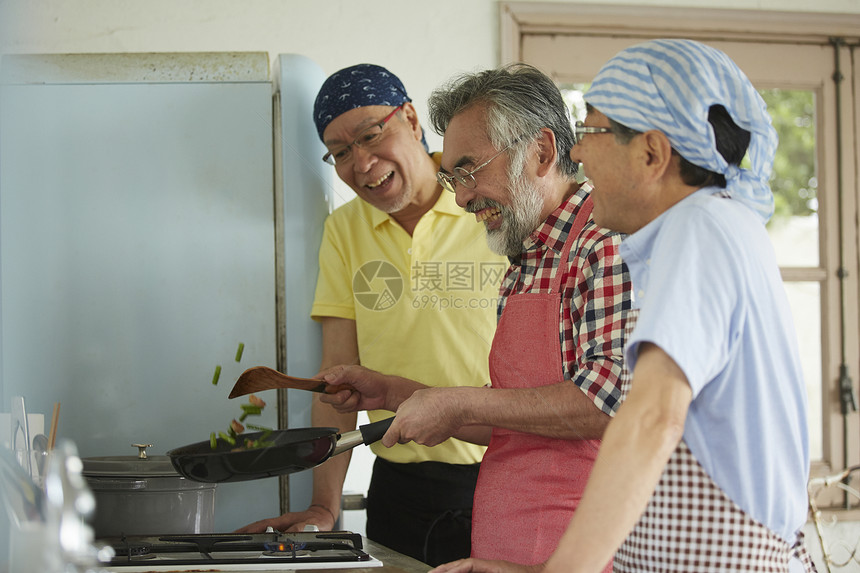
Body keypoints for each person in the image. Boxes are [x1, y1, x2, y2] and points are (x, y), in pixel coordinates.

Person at [429, 39, 816, 573]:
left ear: (652, 154)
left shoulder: (700, 228)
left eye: (591, 132)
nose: (579, 153)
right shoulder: (713, 227)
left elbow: (651, 417)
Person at [320, 63, 635, 568]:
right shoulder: (524, 264)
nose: (463, 197)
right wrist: (398, 394)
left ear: (541, 152)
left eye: (469, 171)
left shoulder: (603, 245)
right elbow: (511, 420)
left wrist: (457, 403)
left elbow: (608, 403)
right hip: (512, 555)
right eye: (452, 176)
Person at [236, 64, 508, 566]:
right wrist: (324, 505)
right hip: (398, 493)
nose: (361, 164)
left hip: (501, 478)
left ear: (409, 117)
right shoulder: (345, 230)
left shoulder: (486, 207)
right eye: (340, 153)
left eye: (370, 135)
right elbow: (335, 383)